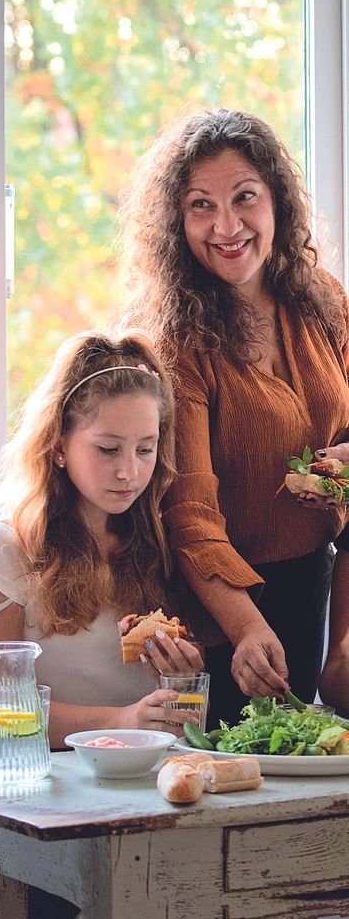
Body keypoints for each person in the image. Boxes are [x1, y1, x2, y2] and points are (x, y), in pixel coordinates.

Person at [119, 106, 349, 726]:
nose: (227, 226)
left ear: (277, 202)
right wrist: (247, 626)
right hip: (215, 614)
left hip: (314, 584)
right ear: (176, 219)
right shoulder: (173, 340)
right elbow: (186, 511)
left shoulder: (321, 299)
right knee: (221, 785)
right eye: (200, 205)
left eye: (244, 197)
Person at [0, 331, 204, 749]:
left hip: (151, 780)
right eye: (109, 449)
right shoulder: (5, 550)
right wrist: (125, 721)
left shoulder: (162, 544)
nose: (129, 472)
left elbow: (186, 720)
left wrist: (185, 681)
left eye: (145, 450)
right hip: (45, 784)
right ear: (58, 447)